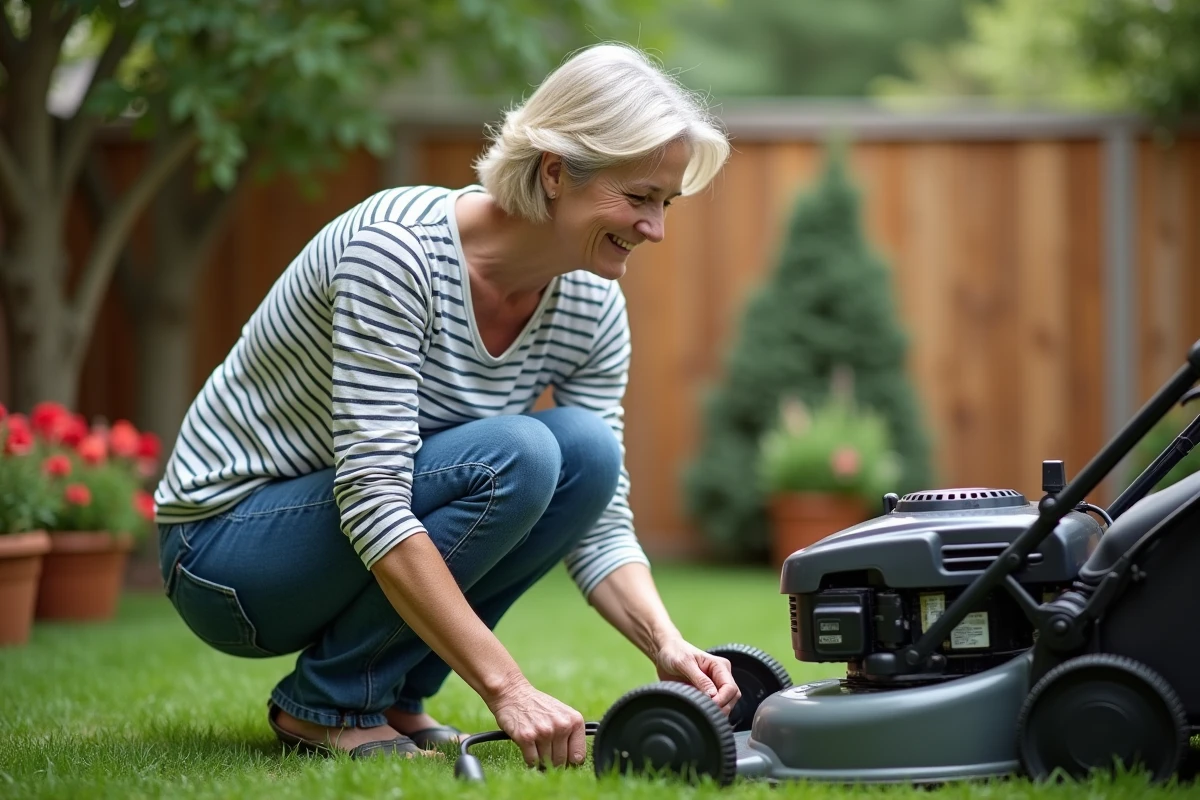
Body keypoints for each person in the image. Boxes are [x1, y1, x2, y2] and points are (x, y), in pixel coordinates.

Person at [153, 42, 737, 767]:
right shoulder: (397, 253)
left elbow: (600, 515)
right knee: (520, 455)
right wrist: (508, 688)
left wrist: (667, 643)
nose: (656, 228)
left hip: (336, 532)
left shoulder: (591, 302)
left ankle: (394, 694)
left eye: (666, 202)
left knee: (586, 452)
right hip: (225, 553)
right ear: (556, 171)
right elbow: (372, 495)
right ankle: (329, 704)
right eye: (640, 197)